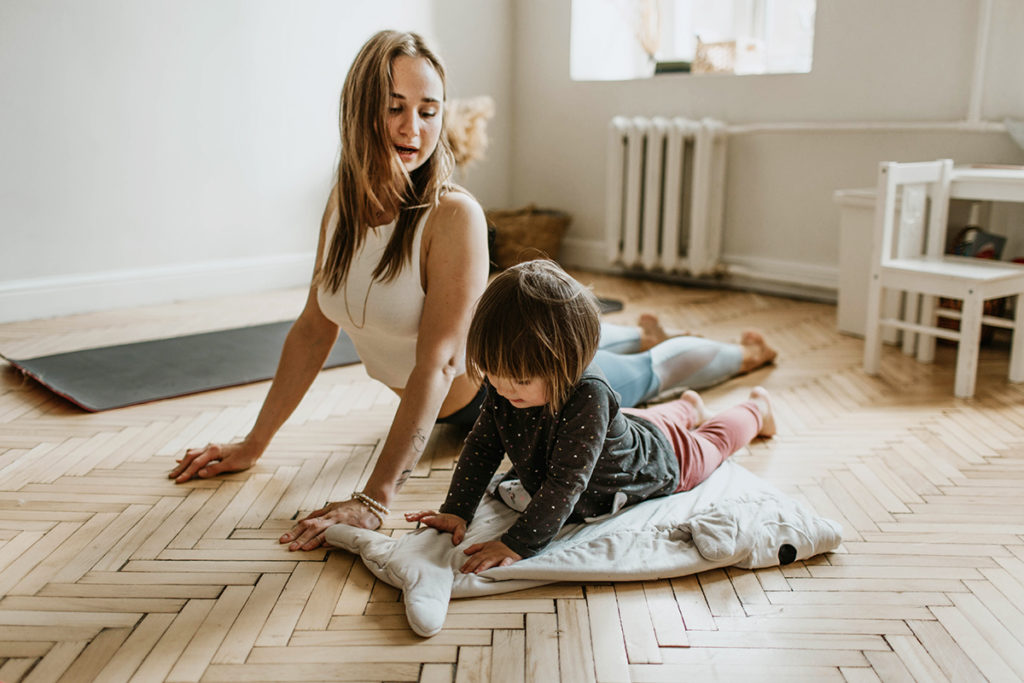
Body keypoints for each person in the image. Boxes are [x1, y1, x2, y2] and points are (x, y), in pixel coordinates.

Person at [168, 30, 776, 551]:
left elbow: (436, 363)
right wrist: (254, 442)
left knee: (645, 372)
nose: (414, 127)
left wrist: (375, 498)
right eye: (394, 107)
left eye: (429, 110)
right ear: (358, 109)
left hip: (521, 390)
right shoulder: (342, 205)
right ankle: (643, 350)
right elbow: (311, 330)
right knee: (622, 357)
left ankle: (742, 359)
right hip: (496, 380)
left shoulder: (451, 215)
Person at [405, 260, 775, 572]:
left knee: (713, 441)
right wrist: (456, 509)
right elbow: (483, 446)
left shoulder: (589, 395)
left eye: (518, 380)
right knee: (646, 422)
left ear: (567, 363)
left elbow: (566, 483)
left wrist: (517, 543)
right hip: (628, 428)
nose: (502, 389)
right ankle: (689, 406)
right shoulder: (506, 385)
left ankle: (757, 408)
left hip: (661, 459)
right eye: (492, 374)